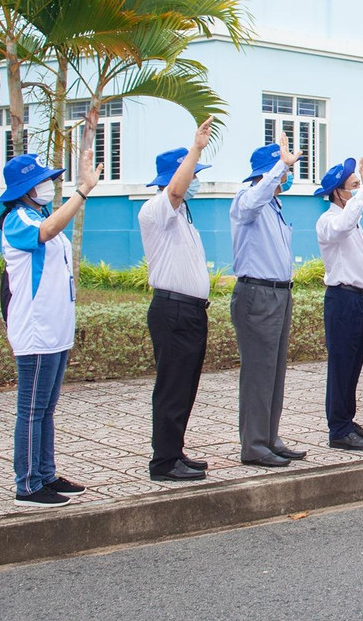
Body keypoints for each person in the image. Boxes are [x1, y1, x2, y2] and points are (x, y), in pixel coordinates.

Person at [0, 146, 100, 507]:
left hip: (56, 330)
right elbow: (50, 228)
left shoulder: (37, 214)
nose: (49, 186)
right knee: (31, 410)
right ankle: (27, 485)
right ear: (25, 188)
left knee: (46, 409)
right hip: (36, 331)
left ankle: (46, 473)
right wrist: (83, 190)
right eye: (43, 181)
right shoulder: (18, 220)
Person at [139, 118, 214, 483]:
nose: (196, 180)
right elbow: (173, 192)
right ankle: (164, 462)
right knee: (171, 388)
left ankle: (175, 451)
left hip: (191, 311)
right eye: (192, 174)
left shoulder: (184, 214)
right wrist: (195, 147)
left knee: (185, 386)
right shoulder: (156, 209)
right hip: (173, 310)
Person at [228, 133, 305, 468]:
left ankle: (270, 437)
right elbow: (252, 202)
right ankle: (254, 444)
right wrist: (277, 167)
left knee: (274, 373)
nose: (287, 175)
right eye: (282, 170)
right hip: (257, 293)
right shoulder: (247, 199)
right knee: (259, 372)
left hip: (279, 293)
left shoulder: (275, 204)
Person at [314, 157, 363, 452]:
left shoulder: (353, 221)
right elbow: (342, 225)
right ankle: (338, 429)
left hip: (359, 299)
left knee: (353, 365)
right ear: (338, 192)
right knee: (341, 366)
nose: (359, 189)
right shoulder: (328, 221)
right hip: (342, 299)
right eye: (352, 186)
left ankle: (347, 420)